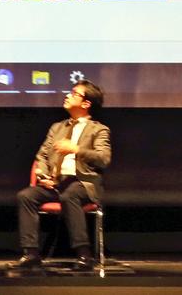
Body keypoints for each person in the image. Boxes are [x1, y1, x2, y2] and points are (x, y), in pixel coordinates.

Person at [10, 80, 111, 270]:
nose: (67, 96)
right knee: (26, 196)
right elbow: (42, 156)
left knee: (69, 195)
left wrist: (76, 149)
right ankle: (31, 253)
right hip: (57, 184)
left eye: (74, 93)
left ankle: (84, 255)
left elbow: (103, 158)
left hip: (83, 183)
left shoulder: (98, 130)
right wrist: (43, 175)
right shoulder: (57, 128)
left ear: (86, 103)